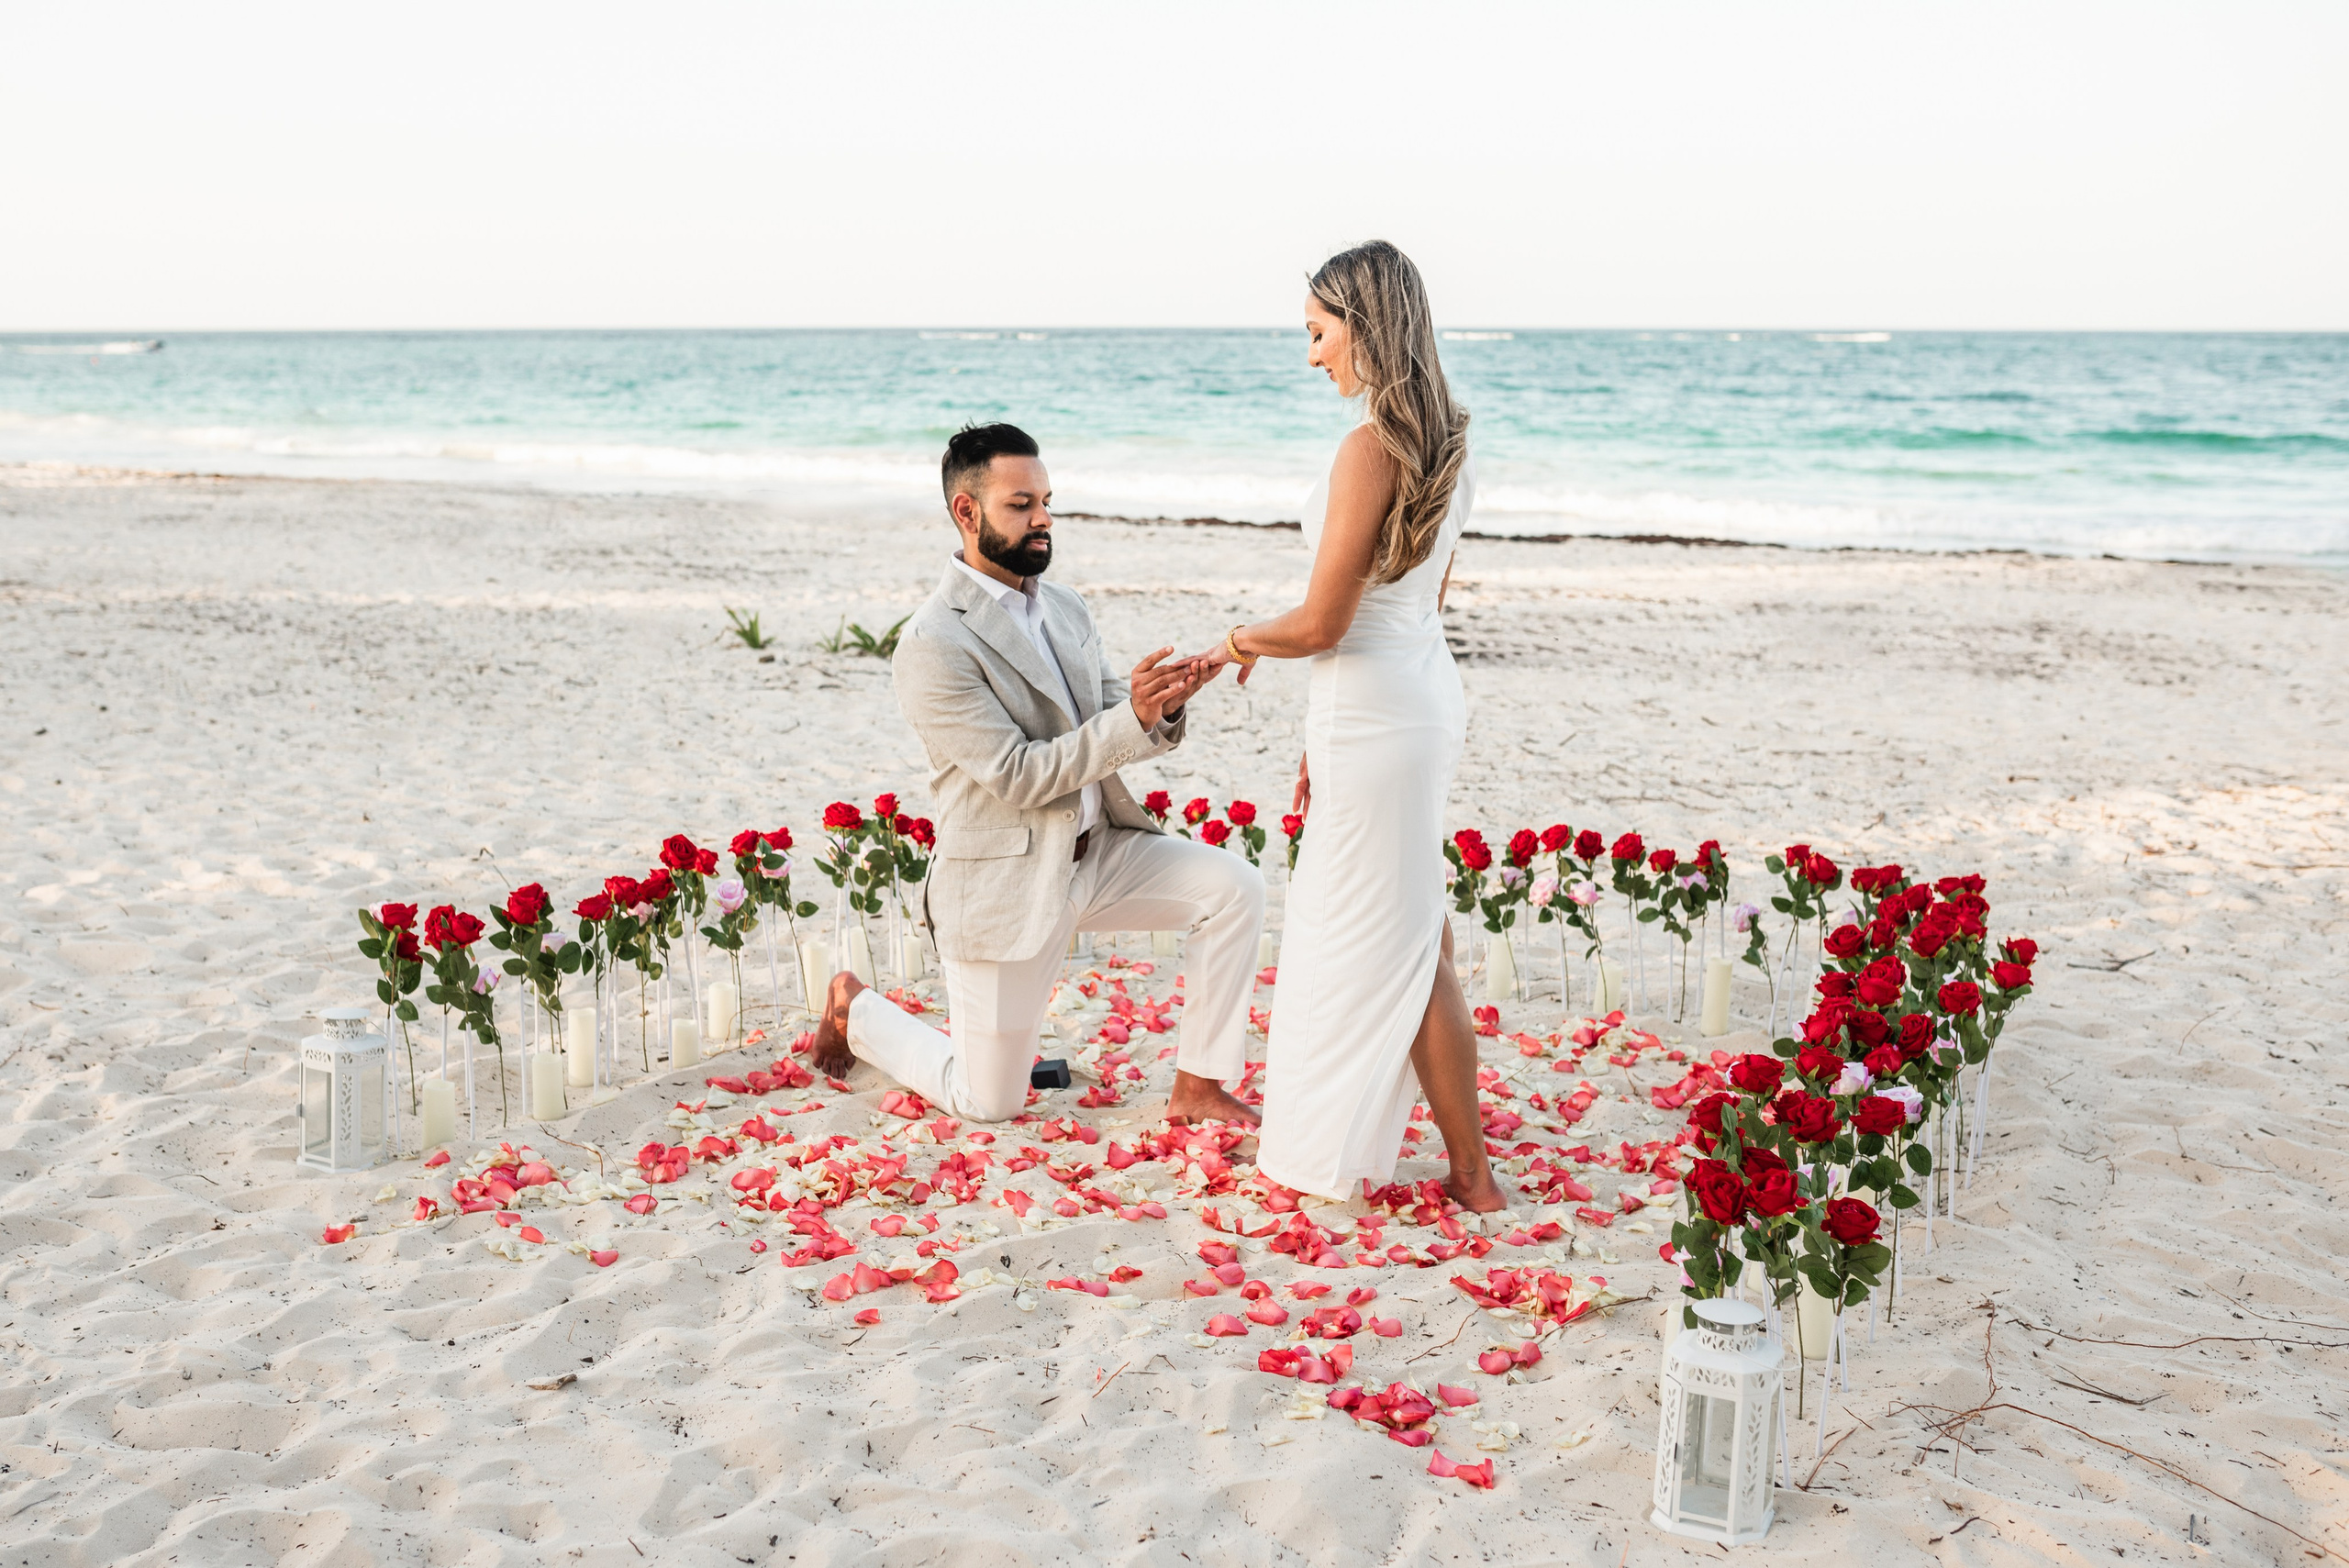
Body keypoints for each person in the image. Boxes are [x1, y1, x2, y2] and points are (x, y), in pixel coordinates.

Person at [808, 422, 1265, 1126]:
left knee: (1234, 887)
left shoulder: (1066, 605)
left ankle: (1199, 1086)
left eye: (1046, 500)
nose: (1045, 518)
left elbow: (1110, 712)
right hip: (1007, 882)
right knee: (985, 1101)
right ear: (967, 513)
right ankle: (855, 1006)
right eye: (1021, 504)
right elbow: (1019, 775)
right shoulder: (933, 643)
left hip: (1100, 854)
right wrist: (1130, 719)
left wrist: (1165, 700)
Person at [1194, 241, 1503, 1210]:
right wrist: (1314, 736)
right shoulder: (1446, 437)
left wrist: (1230, 644)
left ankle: (1472, 1174)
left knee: (1404, 936)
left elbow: (1326, 621)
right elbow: (1415, 606)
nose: (1313, 354)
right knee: (1413, 927)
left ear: (1365, 326)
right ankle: (1461, 1164)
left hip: (1374, 707)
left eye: (1320, 332)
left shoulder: (1369, 447)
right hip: (1406, 698)